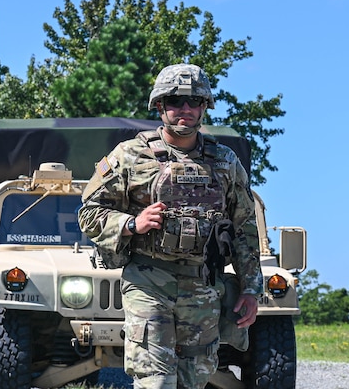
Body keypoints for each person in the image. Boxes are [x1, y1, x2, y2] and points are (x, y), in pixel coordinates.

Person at [78, 63, 263, 389]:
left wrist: (250, 288)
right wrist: (132, 223)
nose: (186, 110)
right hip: (149, 284)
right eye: (176, 102)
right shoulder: (130, 156)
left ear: (205, 106)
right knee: (156, 382)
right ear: (160, 106)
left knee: (192, 383)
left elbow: (244, 227)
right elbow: (89, 213)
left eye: (195, 102)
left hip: (202, 288)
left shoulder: (225, 162)